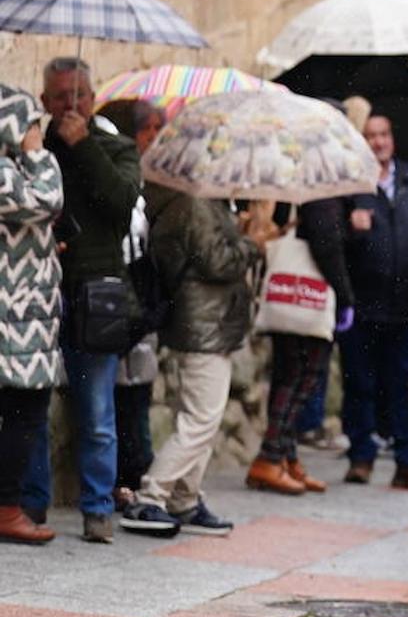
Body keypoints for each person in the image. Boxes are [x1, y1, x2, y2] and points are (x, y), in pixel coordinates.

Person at [32, 58, 139, 544]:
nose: (70, 105)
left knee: (96, 409)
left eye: (79, 95)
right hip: (42, 289)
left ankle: (97, 508)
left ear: (93, 99)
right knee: (29, 403)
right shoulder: (35, 151)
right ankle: (30, 504)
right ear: (44, 102)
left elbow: (120, 204)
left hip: (97, 293)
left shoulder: (116, 147)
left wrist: (84, 146)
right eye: (60, 97)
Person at [121, 190, 270, 537]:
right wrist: (251, 243)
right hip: (203, 328)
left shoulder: (200, 203)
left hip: (206, 326)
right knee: (201, 420)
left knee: (197, 418)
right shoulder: (196, 203)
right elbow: (217, 261)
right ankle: (151, 497)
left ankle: (184, 499)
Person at [339, 114, 408, 491]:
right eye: (370, 136)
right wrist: (352, 229)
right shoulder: (352, 184)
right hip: (363, 304)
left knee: (407, 387)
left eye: (383, 134)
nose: (378, 142)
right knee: (360, 384)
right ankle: (361, 457)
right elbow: (331, 239)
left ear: (392, 139)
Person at [246, 196, 354, 497]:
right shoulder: (320, 190)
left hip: (287, 294)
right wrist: (345, 296)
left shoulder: (292, 183)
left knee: (286, 372)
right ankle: (269, 457)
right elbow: (325, 242)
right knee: (303, 375)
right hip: (310, 295)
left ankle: (285, 457)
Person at [0, 88, 63, 545]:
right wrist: (39, 154)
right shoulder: (7, 172)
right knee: (23, 412)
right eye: (32, 123)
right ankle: (5, 509)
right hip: (14, 321)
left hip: (25, 319)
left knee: (25, 412)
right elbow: (46, 201)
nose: (38, 131)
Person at [99, 99, 163, 513]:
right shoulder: (117, 179)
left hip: (141, 314)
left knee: (137, 400)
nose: (155, 139)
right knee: (119, 405)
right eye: (149, 130)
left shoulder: (146, 182)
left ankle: (135, 476)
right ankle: (123, 482)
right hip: (116, 307)